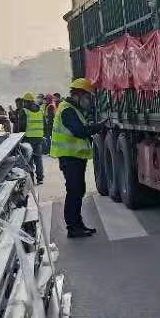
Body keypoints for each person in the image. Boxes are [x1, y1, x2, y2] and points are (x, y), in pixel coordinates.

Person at [51, 78, 99, 238]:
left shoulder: (73, 109)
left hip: (74, 157)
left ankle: (78, 224)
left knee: (78, 190)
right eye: (87, 97)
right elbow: (79, 131)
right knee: (74, 191)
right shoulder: (67, 110)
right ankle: (73, 227)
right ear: (78, 95)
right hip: (69, 158)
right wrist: (99, 127)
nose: (88, 101)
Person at [12, 92, 48, 183]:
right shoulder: (40, 110)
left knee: (29, 159)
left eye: (24, 101)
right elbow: (45, 124)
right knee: (38, 159)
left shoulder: (24, 111)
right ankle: (40, 178)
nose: (23, 103)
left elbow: (22, 126)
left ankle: (31, 178)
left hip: (28, 138)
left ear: (27, 101)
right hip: (39, 138)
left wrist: (19, 137)